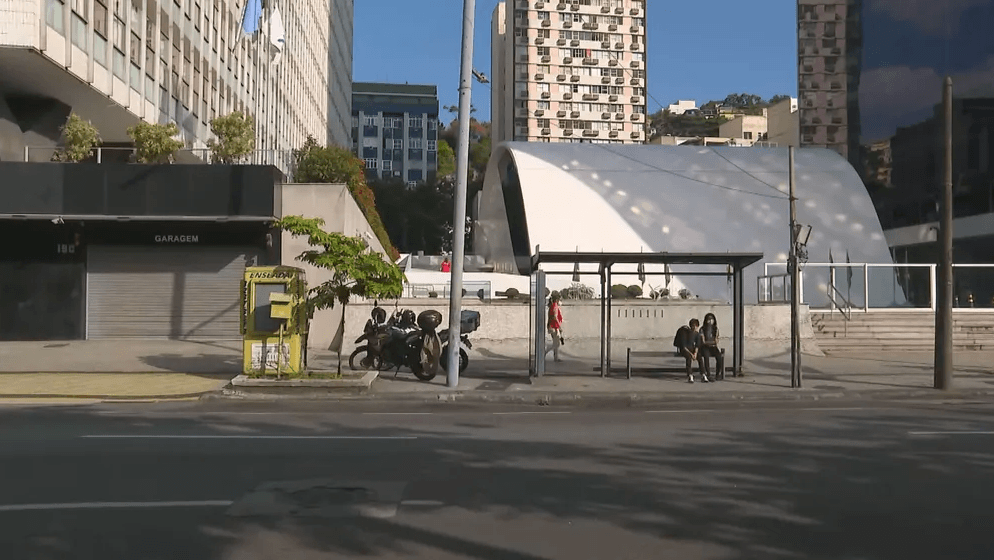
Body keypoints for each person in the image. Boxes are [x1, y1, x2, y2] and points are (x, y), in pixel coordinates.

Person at [678, 318, 707, 383]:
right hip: (685, 350)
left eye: (696, 326)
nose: (694, 327)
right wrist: (691, 354)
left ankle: (703, 374)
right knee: (688, 358)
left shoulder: (697, 334)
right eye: (693, 326)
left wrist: (695, 353)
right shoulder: (685, 334)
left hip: (693, 350)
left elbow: (697, 345)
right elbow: (684, 346)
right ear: (691, 326)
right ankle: (690, 375)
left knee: (699, 357)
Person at [700, 312, 725, 380]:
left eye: (712, 319)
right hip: (705, 347)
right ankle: (708, 374)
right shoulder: (702, 329)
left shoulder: (715, 329)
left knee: (719, 357)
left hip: (713, 347)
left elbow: (716, 340)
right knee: (706, 356)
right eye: (708, 319)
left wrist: (711, 342)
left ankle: (717, 374)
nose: (710, 321)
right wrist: (711, 342)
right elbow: (703, 341)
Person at [546, 291, 564, 363]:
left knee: (556, 343)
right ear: (557, 299)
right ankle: (543, 353)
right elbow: (555, 317)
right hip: (554, 326)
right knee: (556, 343)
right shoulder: (555, 306)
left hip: (553, 326)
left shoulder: (552, 305)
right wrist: (559, 327)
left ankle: (556, 357)